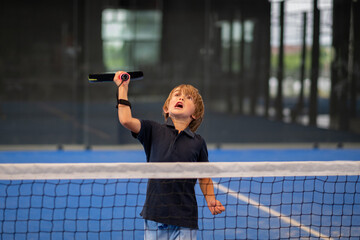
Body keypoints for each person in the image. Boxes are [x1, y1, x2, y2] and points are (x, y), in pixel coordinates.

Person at [114, 71, 225, 240]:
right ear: (166, 108)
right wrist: (123, 87)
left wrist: (210, 199)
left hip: (185, 219)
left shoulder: (198, 142)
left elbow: (204, 176)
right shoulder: (152, 130)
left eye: (188, 98)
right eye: (177, 95)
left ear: (195, 114)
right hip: (155, 217)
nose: (181, 98)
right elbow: (126, 120)